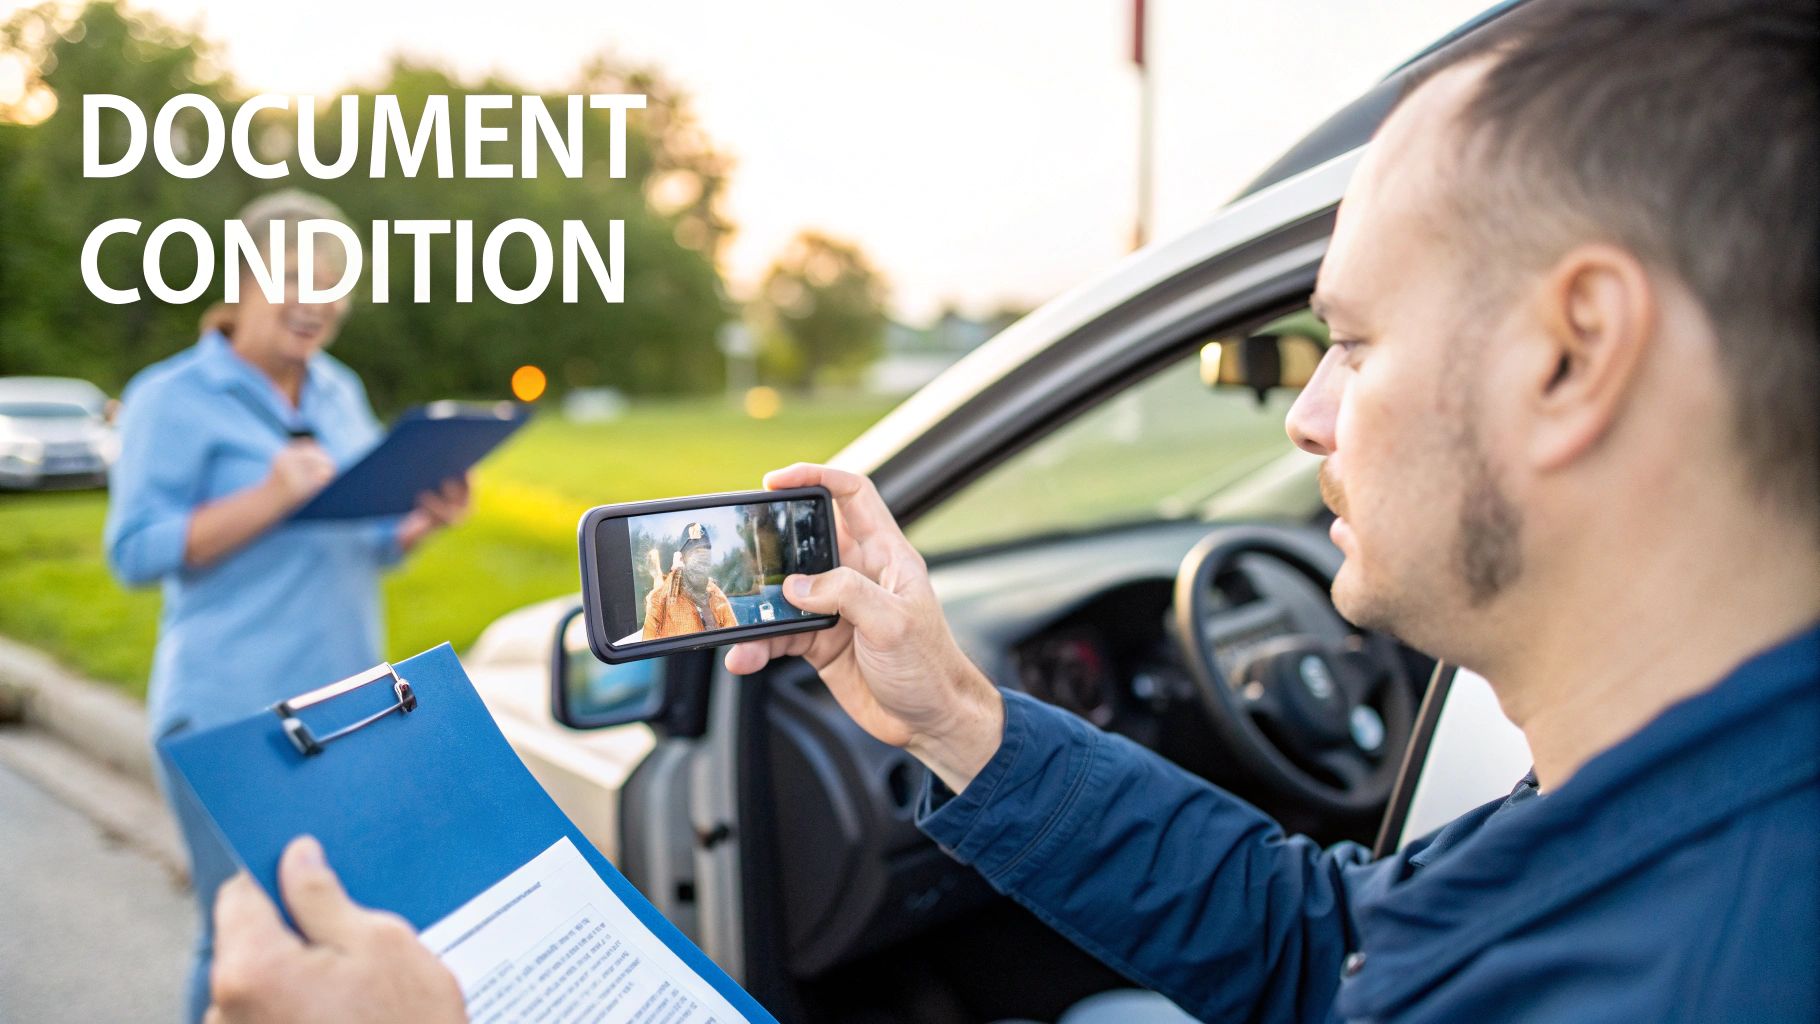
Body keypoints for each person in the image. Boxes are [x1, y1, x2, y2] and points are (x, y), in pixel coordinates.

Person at [198, 1, 1818, 1021]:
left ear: (1571, 351)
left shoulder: (1698, 963)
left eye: (1354, 341)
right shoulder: (1643, 808)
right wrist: (959, 712)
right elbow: (1316, 945)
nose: (1310, 410)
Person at [102, 190, 472, 1024]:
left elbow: (364, 538)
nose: (320, 301)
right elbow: (132, 551)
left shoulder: (339, 390)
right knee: (246, 942)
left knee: (335, 931)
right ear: (240, 281)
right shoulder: (171, 396)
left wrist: (417, 520)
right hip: (229, 710)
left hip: (344, 703)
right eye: (298, 276)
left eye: (336, 284)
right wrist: (269, 496)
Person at [642, 522, 739, 639]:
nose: (702, 559)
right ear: (682, 558)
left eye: (705, 552)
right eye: (695, 553)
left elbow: (734, 639)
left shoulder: (716, 595)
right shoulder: (659, 599)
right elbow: (649, 648)